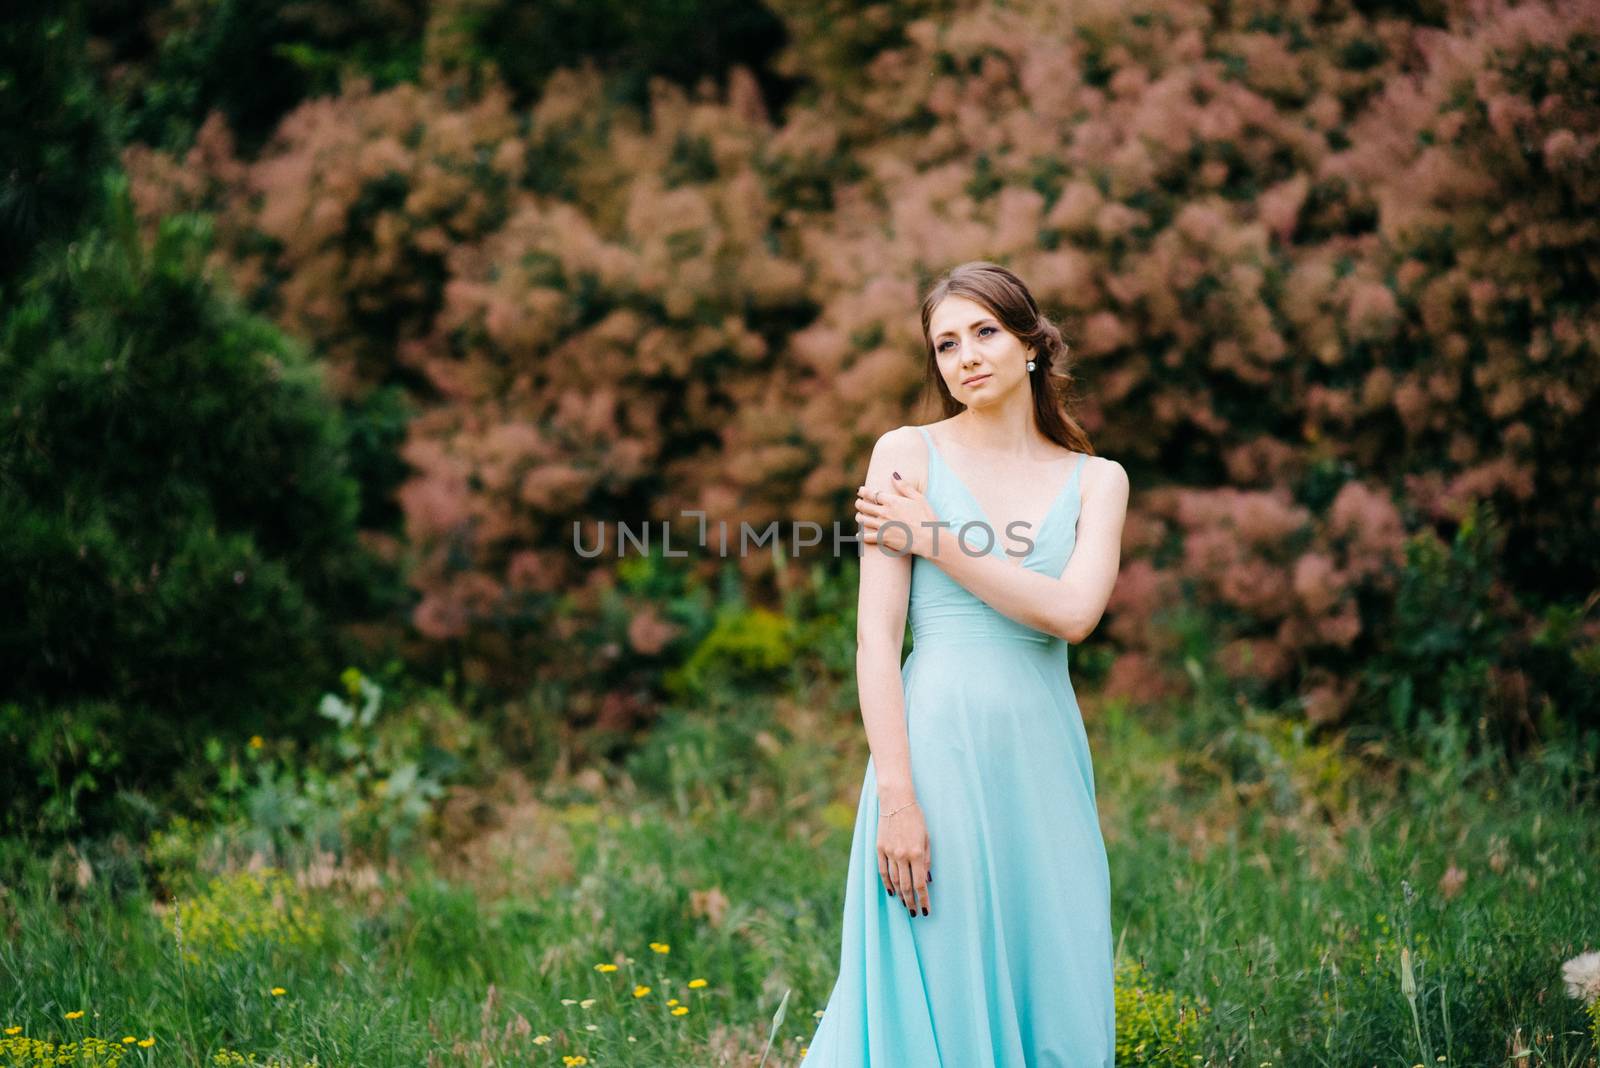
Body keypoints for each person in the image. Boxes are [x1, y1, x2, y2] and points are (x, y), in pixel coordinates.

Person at [798, 261, 1129, 1066]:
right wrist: (898, 800)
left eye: (984, 332)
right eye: (945, 344)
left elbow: (1074, 613)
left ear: (1031, 344)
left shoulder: (1098, 481)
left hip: (1043, 761)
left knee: (1057, 979)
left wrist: (936, 537)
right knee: (936, 978)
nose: (966, 357)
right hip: (932, 757)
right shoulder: (904, 454)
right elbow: (877, 639)